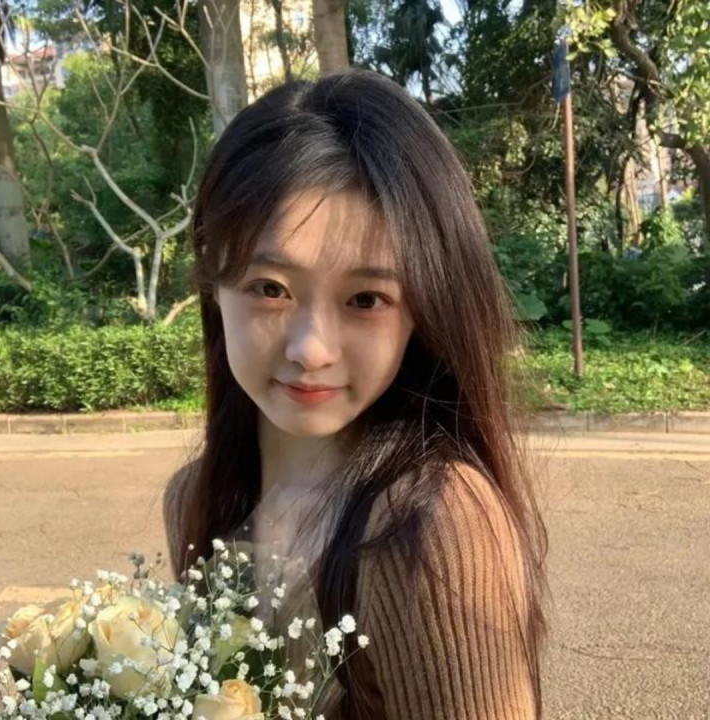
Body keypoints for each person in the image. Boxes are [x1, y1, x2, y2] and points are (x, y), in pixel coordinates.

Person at [163, 68, 549, 719]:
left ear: (425, 309)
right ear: (214, 285)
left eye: (366, 299)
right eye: (270, 288)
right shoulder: (194, 501)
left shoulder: (429, 527)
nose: (311, 348)